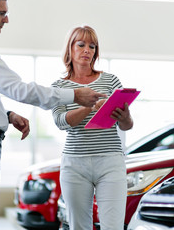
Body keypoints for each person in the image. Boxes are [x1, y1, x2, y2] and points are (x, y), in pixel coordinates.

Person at [0, 0, 106, 229]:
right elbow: (19, 89)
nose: (6, 20)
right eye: (1, 13)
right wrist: (74, 94)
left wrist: (7, 115)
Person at [51, 25, 133, 230]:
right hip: (75, 164)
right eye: (81, 45)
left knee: (113, 226)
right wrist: (89, 106)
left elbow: (127, 125)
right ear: (70, 48)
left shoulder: (110, 80)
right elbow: (61, 121)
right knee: (79, 227)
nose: (87, 50)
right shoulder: (59, 86)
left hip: (110, 162)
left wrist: (125, 116)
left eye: (92, 46)